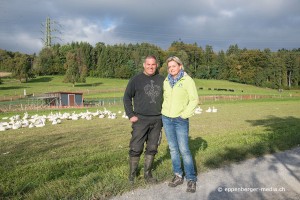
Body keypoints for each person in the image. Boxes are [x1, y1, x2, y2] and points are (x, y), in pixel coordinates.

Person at [123, 55, 164, 184]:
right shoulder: (136, 80)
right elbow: (126, 98)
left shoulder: (163, 80)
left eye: (153, 64)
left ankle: (147, 174)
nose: (151, 67)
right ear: (144, 65)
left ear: (156, 65)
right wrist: (131, 115)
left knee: (152, 147)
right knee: (136, 148)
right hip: (140, 120)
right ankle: (132, 175)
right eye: (148, 64)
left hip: (157, 120)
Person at [161, 56, 199, 193]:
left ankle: (191, 179)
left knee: (184, 150)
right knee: (173, 149)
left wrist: (184, 115)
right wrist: (163, 114)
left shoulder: (187, 80)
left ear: (180, 66)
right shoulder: (166, 81)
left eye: (174, 66)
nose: (171, 68)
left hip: (180, 120)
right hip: (167, 119)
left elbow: (194, 100)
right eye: (169, 66)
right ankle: (178, 175)